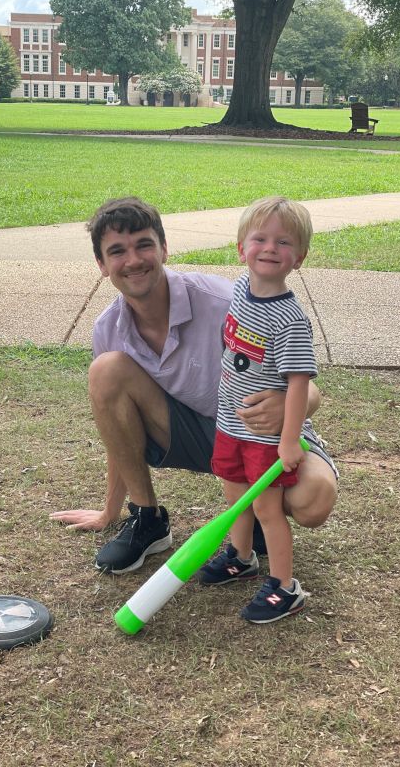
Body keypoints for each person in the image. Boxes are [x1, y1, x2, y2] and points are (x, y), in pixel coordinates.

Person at [50, 197, 338, 576]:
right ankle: (147, 521)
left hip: (259, 434)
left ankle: (254, 519)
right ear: (102, 266)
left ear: (165, 248)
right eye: (117, 251)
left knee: (313, 502)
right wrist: (110, 511)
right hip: (198, 435)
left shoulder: (225, 302)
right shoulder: (109, 328)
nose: (133, 260)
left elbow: (309, 391)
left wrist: (285, 403)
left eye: (144, 245)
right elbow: (117, 426)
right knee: (106, 371)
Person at [197, 196, 328, 624]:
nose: (270, 248)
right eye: (260, 238)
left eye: (284, 242)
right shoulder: (239, 288)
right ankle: (240, 556)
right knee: (235, 499)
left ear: (300, 257)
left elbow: (298, 383)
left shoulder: (289, 319)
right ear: (241, 248)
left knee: (268, 509)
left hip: (265, 438)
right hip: (231, 423)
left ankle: (285, 587)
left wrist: (289, 439)